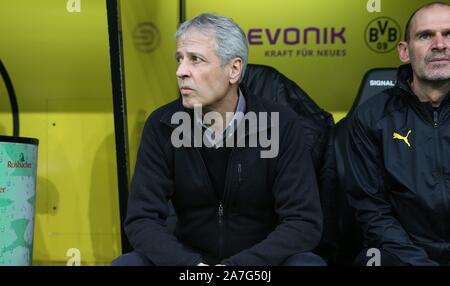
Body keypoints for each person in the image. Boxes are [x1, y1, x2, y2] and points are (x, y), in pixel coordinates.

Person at [112, 13, 325, 266]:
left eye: (196, 60)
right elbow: (141, 219)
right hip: (189, 264)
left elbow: (303, 221)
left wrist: (234, 270)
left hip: (258, 265)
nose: (181, 71)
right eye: (179, 59)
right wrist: (192, 267)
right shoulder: (162, 125)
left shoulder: (281, 124)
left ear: (234, 69)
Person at [344, 2, 450, 266]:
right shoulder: (370, 117)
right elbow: (372, 212)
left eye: (449, 35)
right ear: (404, 51)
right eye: (425, 35)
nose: (440, 44)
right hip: (402, 252)